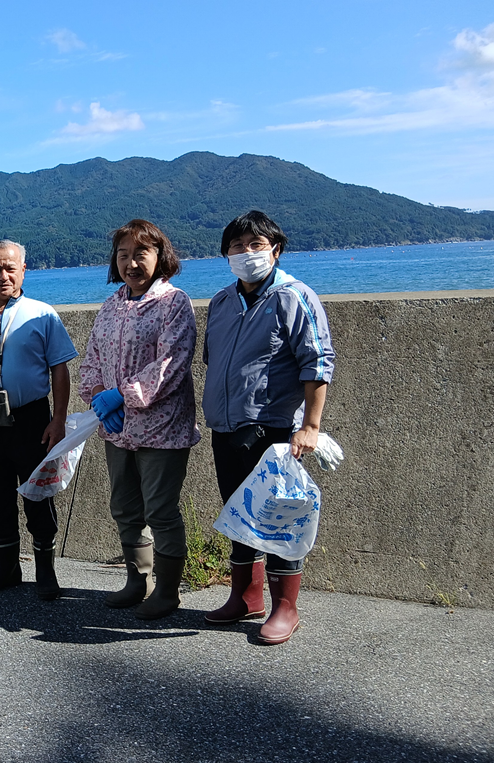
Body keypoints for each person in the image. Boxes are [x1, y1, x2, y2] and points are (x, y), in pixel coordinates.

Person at [202, 210, 335, 644]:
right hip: (226, 428)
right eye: (238, 246)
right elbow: (215, 362)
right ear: (226, 254)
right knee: (238, 514)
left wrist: (310, 425)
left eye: (256, 245)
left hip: (274, 430)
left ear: (275, 251)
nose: (246, 254)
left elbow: (317, 362)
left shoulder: (294, 297)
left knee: (278, 517)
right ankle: (246, 596)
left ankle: (285, 607)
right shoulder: (222, 302)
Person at [79, 220, 200, 619]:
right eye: (124, 255)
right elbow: (93, 357)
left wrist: (124, 396)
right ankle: (137, 580)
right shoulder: (112, 305)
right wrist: (99, 399)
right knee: (125, 506)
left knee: (161, 510)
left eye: (140, 254)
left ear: (159, 257)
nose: (131, 263)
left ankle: (167, 591)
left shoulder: (173, 303)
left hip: (162, 428)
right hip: (118, 429)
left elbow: (171, 364)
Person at [0, 239, 78, 600]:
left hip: (32, 419)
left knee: (39, 494)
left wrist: (59, 420)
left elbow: (60, 369)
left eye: (10, 268)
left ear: (24, 270)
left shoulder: (43, 313)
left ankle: (45, 571)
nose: (2, 275)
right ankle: (6, 567)